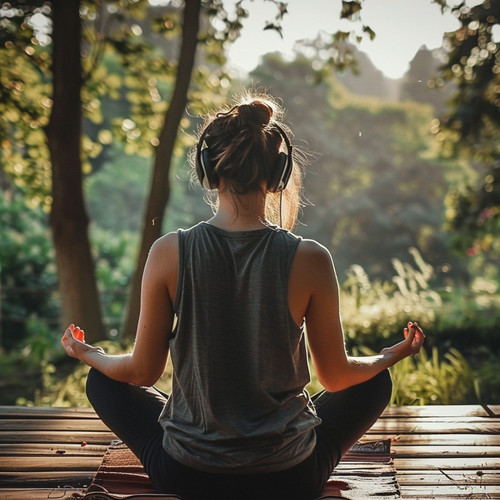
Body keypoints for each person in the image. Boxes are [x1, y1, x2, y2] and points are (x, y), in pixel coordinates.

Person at [61, 91, 425, 500]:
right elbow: (337, 377)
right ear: (279, 174)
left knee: (103, 380)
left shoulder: (168, 252)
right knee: (374, 383)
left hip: (186, 475)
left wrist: (87, 353)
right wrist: (389, 355)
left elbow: (143, 373)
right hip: (289, 479)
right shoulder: (310, 258)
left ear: (208, 171)